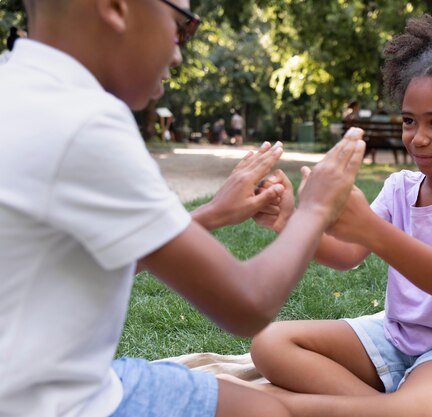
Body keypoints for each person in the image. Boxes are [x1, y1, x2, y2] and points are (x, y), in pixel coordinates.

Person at [0, 1, 366, 417]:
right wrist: (315, 207)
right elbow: (247, 304)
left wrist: (211, 214)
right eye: (182, 27)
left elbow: (76, 255)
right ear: (117, 8)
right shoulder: (85, 122)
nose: (177, 52)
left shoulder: (18, 89)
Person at [246, 7, 432, 417]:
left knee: (427, 411)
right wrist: (288, 220)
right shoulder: (399, 187)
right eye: (410, 121)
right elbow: (344, 254)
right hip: (396, 337)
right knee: (270, 343)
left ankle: (272, 405)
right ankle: (387, 408)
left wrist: (372, 229)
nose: (418, 138)